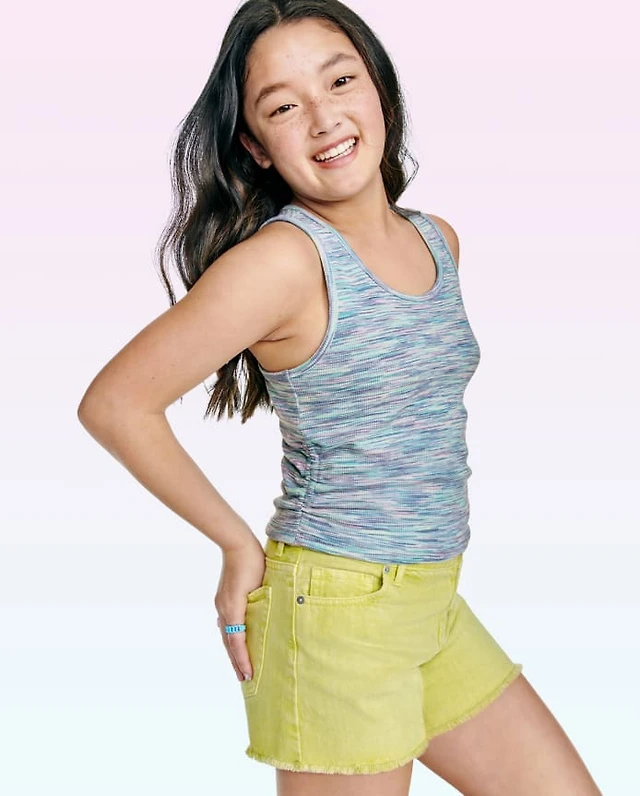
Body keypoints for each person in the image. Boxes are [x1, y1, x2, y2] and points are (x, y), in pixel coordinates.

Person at [77, 1, 603, 793]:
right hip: (336, 616)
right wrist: (236, 544)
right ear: (256, 146)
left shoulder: (436, 238)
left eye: (340, 81)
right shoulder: (284, 263)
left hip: (432, 603)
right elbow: (116, 404)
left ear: (379, 90)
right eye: (283, 107)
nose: (324, 119)